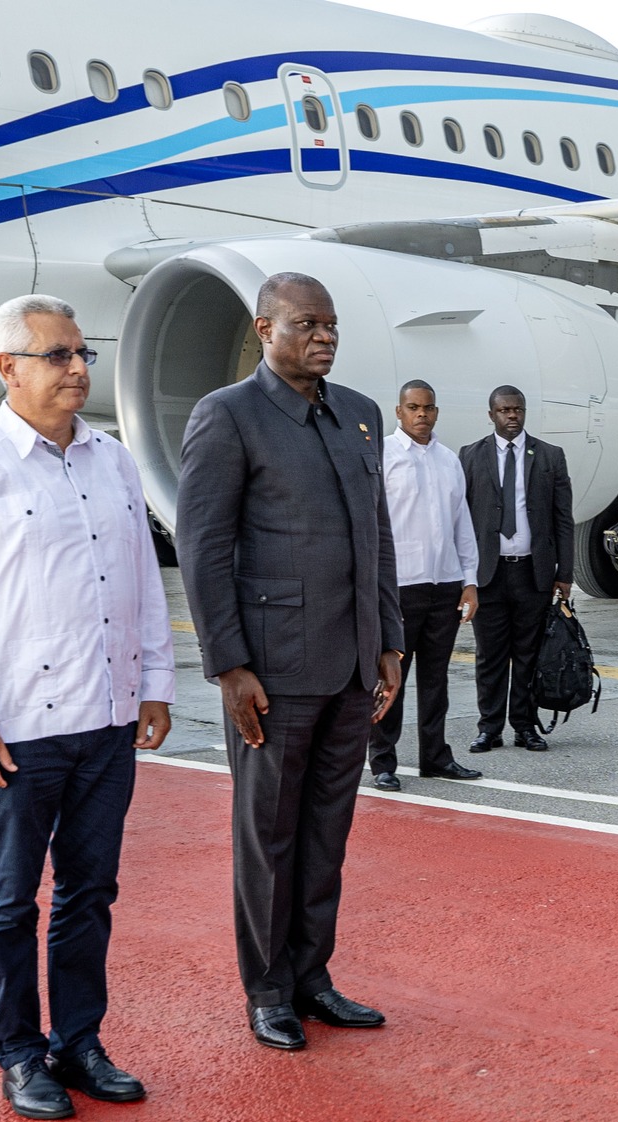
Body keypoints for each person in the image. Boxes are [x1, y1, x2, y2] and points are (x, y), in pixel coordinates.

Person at [0, 295, 175, 1119]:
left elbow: (140, 577)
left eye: (81, 352)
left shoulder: (112, 460)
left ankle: (80, 1041)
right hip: (17, 728)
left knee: (91, 891)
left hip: (104, 722)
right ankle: (20, 1053)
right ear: (8, 368)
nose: (77, 368)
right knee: (7, 901)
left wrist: (155, 682)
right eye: (58, 354)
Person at [176, 272, 401, 1052]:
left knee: (326, 834)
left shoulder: (362, 417)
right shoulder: (229, 416)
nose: (326, 337)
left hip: (348, 668)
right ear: (266, 329)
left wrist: (391, 640)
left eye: (332, 325)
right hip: (271, 673)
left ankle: (313, 977)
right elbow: (202, 549)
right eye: (308, 324)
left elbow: (378, 536)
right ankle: (266, 989)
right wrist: (229, 664)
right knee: (268, 836)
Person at [370, 380, 483, 791]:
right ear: (399, 412)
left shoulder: (449, 460)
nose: (422, 415)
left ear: (437, 411)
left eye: (428, 408)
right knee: (391, 676)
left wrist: (469, 582)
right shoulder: (382, 455)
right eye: (413, 408)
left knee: (437, 679)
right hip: (400, 586)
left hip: (445, 585)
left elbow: (462, 525)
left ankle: (435, 757)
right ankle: (383, 760)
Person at [461, 386, 573, 753]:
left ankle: (525, 726)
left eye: (518, 410)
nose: (512, 416)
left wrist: (565, 573)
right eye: (505, 410)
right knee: (489, 656)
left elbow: (563, 520)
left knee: (528, 654)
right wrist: (463, 577)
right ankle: (489, 728)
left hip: (533, 572)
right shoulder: (470, 456)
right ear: (491, 414)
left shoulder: (550, 456)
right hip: (488, 574)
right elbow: (460, 520)